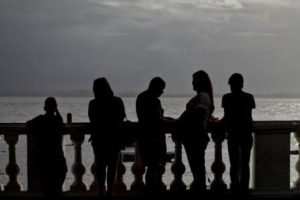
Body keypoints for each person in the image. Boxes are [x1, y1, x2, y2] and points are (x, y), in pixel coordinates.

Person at [176, 70, 215, 192]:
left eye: (194, 80)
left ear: (199, 82)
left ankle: (199, 193)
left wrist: (180, 121)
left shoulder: (202, 96)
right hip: (195, 137)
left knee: (197, 170)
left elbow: (197, 114)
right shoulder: (203, 96)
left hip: (195, 137)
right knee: (197, 169)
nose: (192, 83)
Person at [88, 77, 126, 196]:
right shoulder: (117, 101)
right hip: (114, 138)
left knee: (100, 166)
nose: (93, 90)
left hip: (99, 139)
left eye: (94, 88)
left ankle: (101, 190)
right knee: (112, 166)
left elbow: (93, 121)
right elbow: (121, 119)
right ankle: (109, 191)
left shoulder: (93, 103)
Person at [136, 77, 173, 192]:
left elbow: (151, 118)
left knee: (150, 168)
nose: (162, 92)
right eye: (162, 89)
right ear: (156, 88)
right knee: (155, 167)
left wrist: (168, 119)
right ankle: (153, 191)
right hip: (155, 138)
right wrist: (172, 122)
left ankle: (150, 190)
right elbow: (157, 119)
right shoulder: (154, 100)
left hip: (144, 137)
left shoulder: (141, 97)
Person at [26, 97, 67, 198]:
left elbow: (28, 124)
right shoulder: (56, 119)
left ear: (45, 107)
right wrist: (56, 110)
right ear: (55, 107)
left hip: (44, 154)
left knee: (47, 181)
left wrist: (36, 134)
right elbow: (61, 122)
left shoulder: (41, 119)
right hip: (55, 154)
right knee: (61, 172)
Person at [222, 73, 255, 194]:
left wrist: (215, 123)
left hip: (233, 134)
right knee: (245, 164)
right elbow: (249, 117)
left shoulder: (226, 98)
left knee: (234, 164)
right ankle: (244, 189)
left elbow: (226, 118)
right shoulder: (249, 97)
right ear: (242, 84)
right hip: (246, 133)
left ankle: (235, 189)